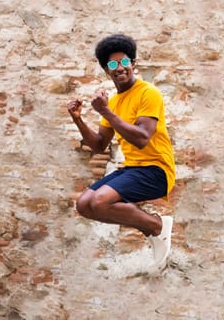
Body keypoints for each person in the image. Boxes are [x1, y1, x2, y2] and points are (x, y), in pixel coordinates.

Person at [66, 34, 175, 270]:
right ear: (107, 70)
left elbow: (142, 139)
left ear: (133, 63)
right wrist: (79, 120)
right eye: (112, 65)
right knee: (84, 204)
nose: (119, 68)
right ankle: (150, 226)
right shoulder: (114, 102)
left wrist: (105, 113)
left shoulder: (148, 93)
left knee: (99, 200)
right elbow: (98, 145)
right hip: (133, 169)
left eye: (124, 62)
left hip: (157, 170)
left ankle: (156, 226)